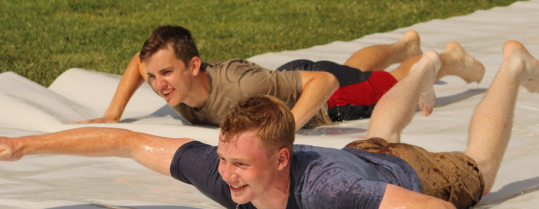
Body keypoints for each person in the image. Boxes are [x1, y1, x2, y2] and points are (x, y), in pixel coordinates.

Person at [0, 41, 539, 209]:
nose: (226, 176)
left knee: (480, 169)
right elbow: (124, 140)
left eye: (241, 166)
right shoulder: (224, 172)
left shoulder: (333, 195)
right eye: (224, 160)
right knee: (377, 133)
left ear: (283, 162)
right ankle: (420, 68)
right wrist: (26, 145)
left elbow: (427, 204)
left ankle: (513, 66)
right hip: (364, 153)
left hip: (410, 170)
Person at [72, 25, 485, 130]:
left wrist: (287, 127)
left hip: (324, 96)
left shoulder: (238, 89)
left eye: (165, 74)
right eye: (154, 76)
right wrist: (112, 113)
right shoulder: (172, 79)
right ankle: (402, 45)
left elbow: (324, 83)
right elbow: (136, 61)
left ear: (193, 66)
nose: (158, 83)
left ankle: (445, 60)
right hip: (282, 80)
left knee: (395, 86)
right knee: (357, 67)